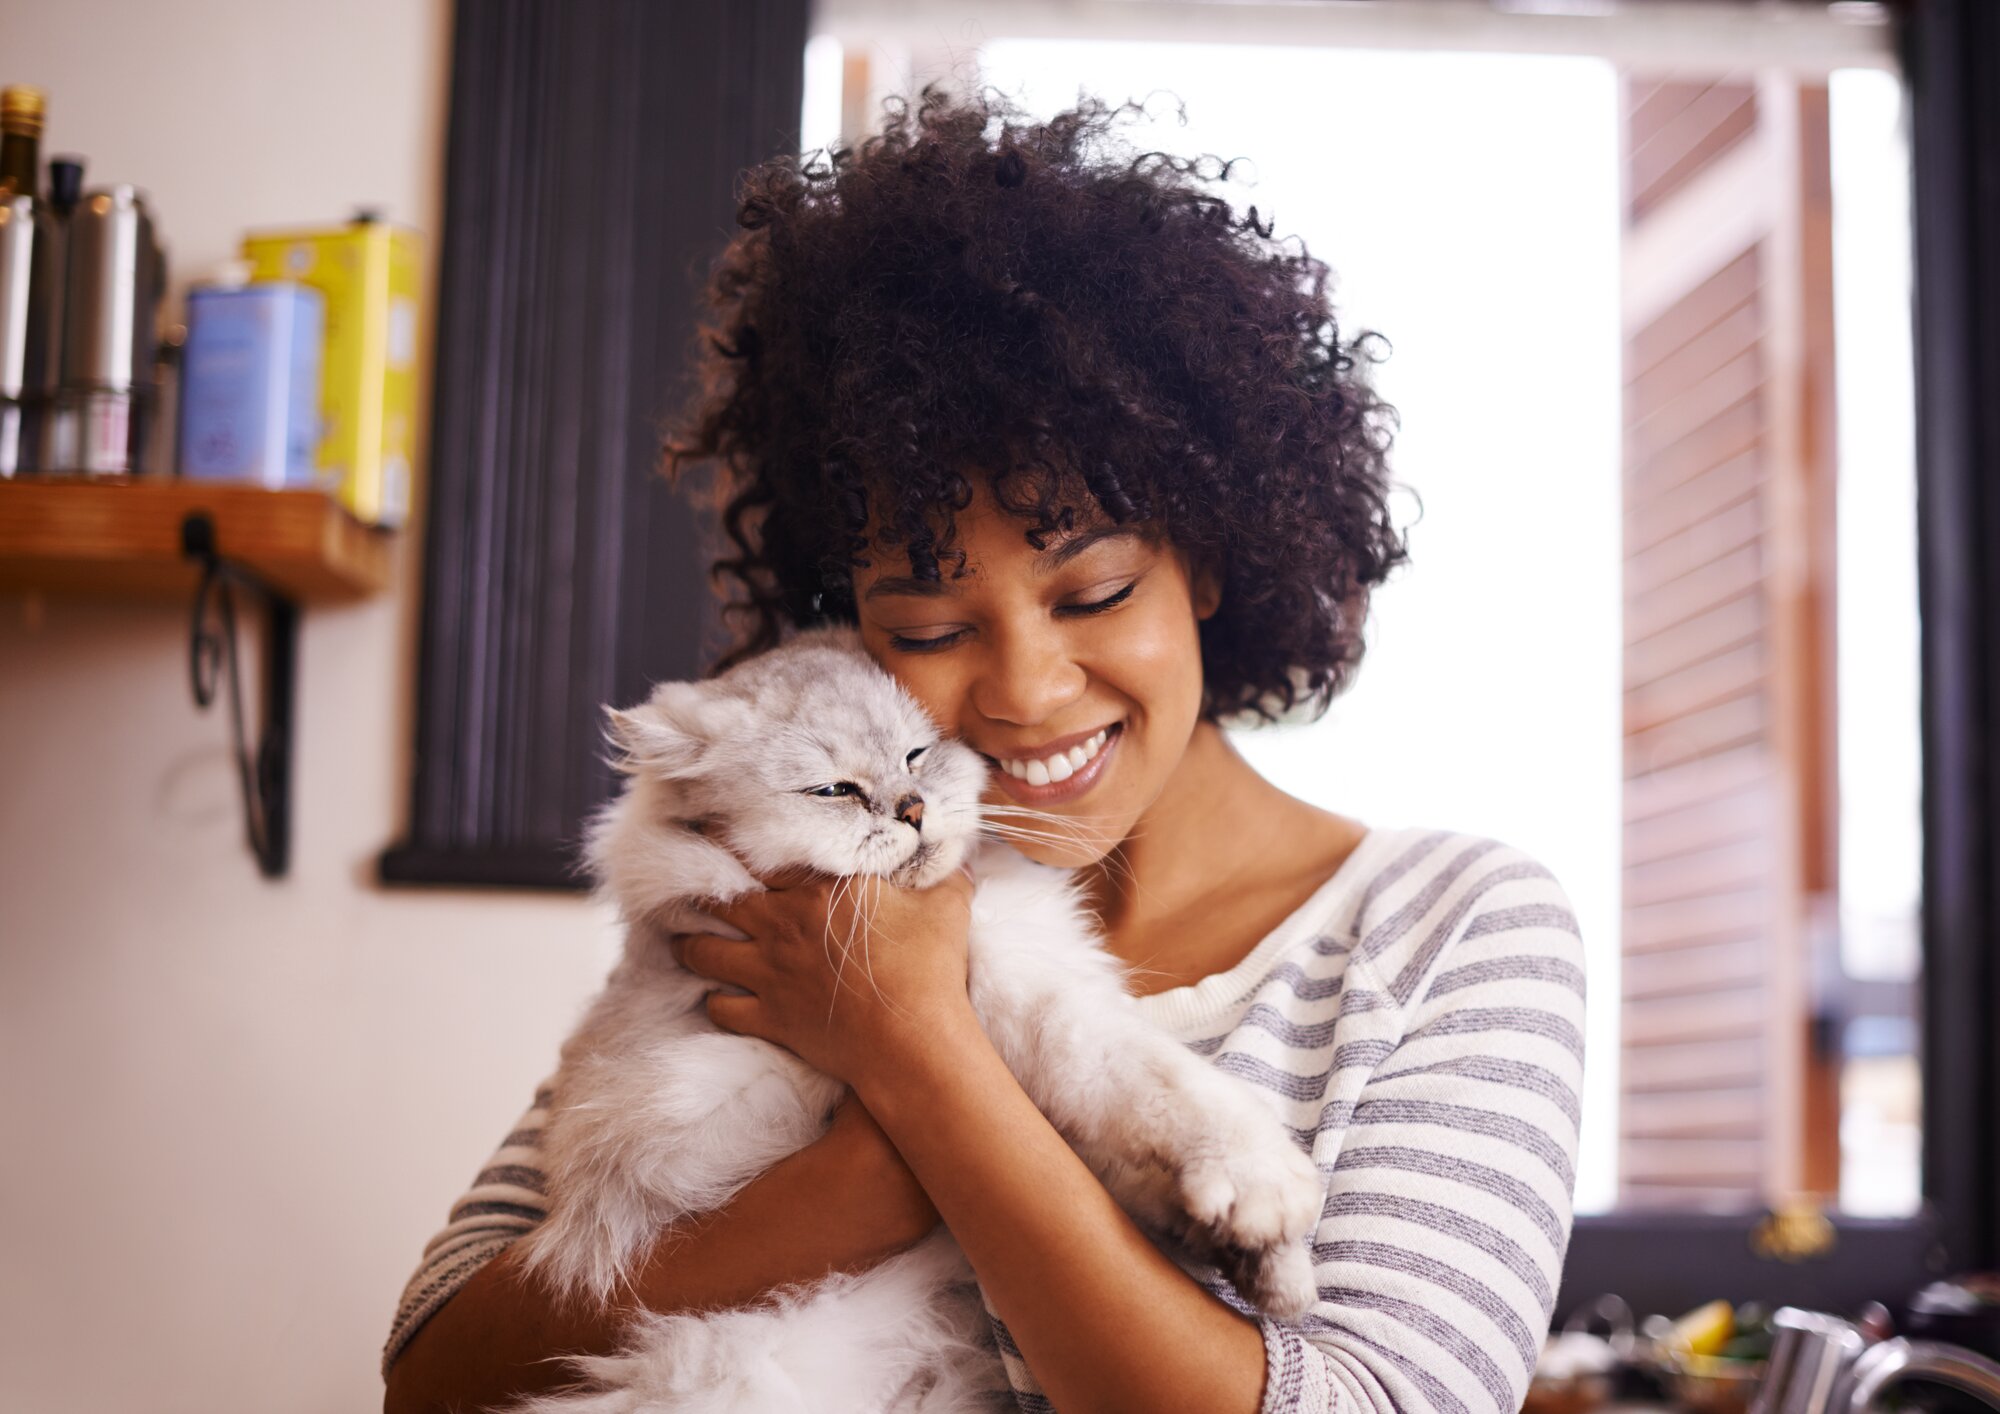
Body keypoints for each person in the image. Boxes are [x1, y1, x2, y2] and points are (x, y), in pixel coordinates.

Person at [381, 84, 1585, 1414]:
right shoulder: (794, 904)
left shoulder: (1456, 932)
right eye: (933, 621)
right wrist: (859, 1177)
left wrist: (918, 1058)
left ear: (1216, 559)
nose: (1022, 689)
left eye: (1094, 594)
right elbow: (440, 1367)